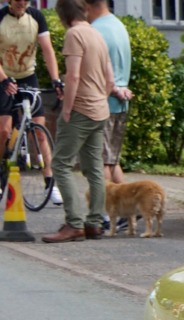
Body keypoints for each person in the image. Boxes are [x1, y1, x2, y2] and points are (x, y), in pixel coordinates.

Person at [41, 0, 116, 244]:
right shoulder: (97, 34)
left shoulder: (74, 34)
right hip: (100, 109)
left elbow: (72, 76)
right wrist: (100, 99)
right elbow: (109, 78)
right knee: (94, 168)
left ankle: (74, 224)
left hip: (80, 109)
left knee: (60, 164)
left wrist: (67, 108)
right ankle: (94, 223)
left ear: (63, 16)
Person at [0, 0, 62, 200]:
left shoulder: (36, 17)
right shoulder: (1, 18)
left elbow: (47, 49)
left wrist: (56, 80)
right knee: (4, 130)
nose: (22, 3)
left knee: (40, 130)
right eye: (18, 0)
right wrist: (4, 80)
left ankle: (50, 183)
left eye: (26, 0)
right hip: (4, 75)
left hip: (27, 76)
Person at [87, 0, 131, 184]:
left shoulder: (96, 31)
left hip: (104, 101)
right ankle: (128, 208)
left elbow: (96, 71)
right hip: (122, 102)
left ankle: (103, 207)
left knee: (101, 162)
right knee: (113, 160)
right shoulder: (118, 26)